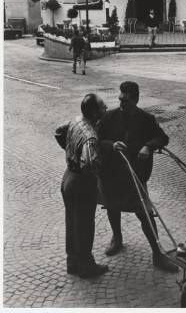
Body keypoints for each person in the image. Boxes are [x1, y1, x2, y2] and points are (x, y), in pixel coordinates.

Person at [98, 81, 177, 272]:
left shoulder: (146, 119)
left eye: (125, 100)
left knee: (145, 214)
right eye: (120, 99)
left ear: (135, 99)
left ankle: (158, 255)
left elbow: (163, 138)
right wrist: (111, 145)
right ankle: (117, 238)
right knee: (112, 207)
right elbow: (97, 140)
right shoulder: (109, 117)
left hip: (136, 175)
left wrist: (148, 146)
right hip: (113, 174)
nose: (121, 103)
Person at [59, 94, 109, 278]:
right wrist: (95, 174)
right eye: (103, 107)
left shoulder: (76, 121)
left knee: (71, 221)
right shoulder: (91, 136)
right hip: (81, 182)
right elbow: (89, 164)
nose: (106, 108)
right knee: (85, 224)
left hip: (68, 178)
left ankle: (72, 261)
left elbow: (59, 132)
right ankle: (87, 267)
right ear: (95, 112)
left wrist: (71, 152)